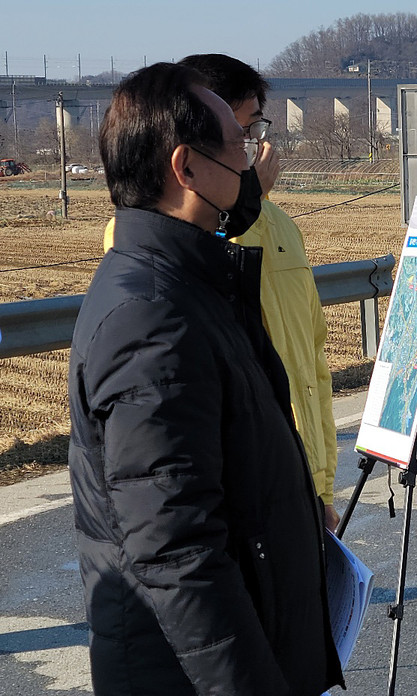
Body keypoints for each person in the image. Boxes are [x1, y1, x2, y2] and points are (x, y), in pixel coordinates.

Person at [69, 62, 343, 695]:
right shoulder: (151, 316)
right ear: (186, 167)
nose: (253, 161)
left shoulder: (193, 283)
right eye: (241, 143)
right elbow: (176, 550)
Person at [104, 53, 341, 529]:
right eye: (243, 132)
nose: (255, 146)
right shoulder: (143, 240)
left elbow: (311, 359)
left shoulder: (282, 229)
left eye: (256, 131)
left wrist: (322, 481)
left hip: (298, 477)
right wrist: (250, 197)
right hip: (235, 488)